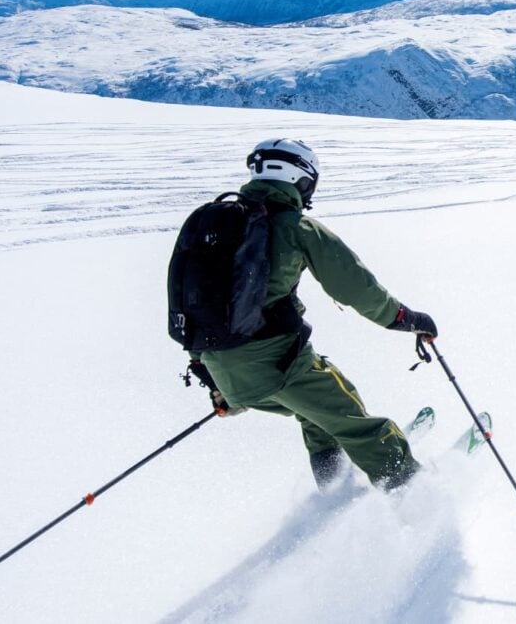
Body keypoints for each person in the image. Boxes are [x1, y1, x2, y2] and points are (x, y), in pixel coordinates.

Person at [184, 138, 438, 490]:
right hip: (279, 364)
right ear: (299, 179)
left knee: (315, 415)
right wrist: (406, 319)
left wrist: (210, 375)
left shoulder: (211, 224)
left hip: (222, 369)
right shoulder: (295, 228)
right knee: (358, 423)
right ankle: (416, 495)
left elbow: (191, 300)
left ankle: (333, 490)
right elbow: (356, 288)